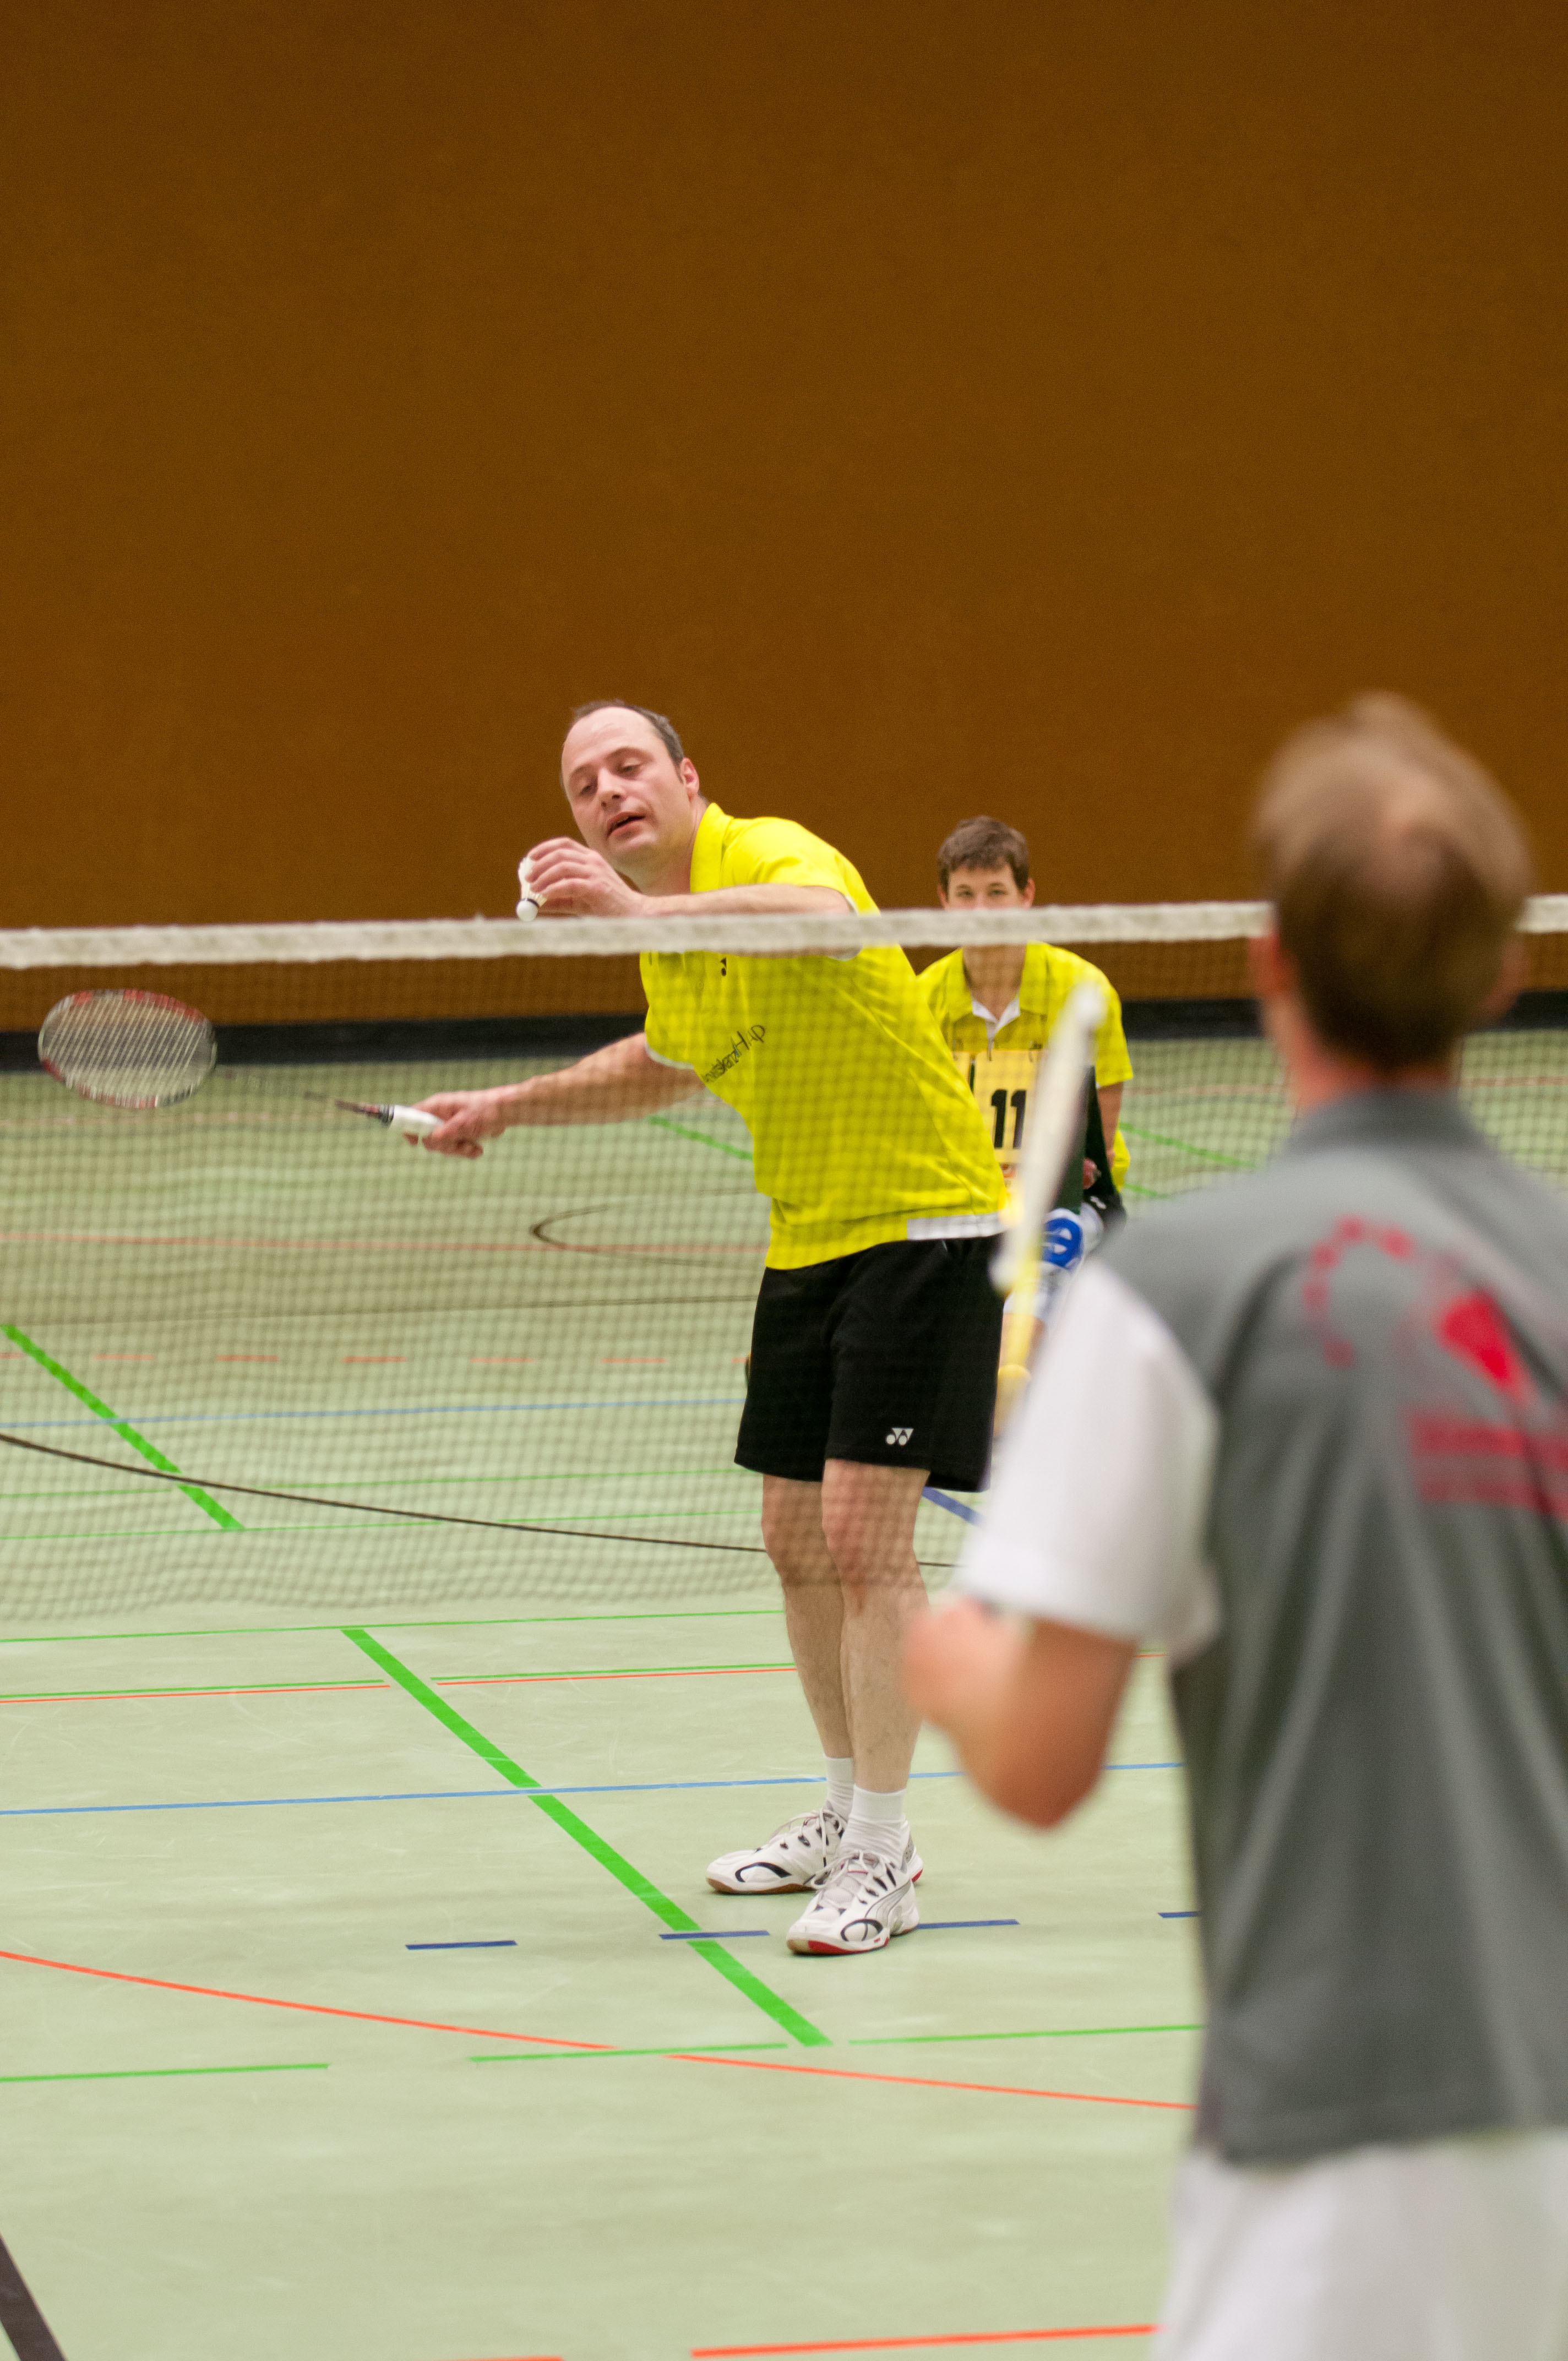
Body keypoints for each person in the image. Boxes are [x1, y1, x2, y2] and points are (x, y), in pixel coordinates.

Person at [906, 697, 1568, 2358]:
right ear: (1499, 972)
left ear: (1268, 965)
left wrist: (947, 1647)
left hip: (1331, 2164)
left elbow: (1036, 1763)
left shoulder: (1182, 1291)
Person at [419, 700, 1006, 1955]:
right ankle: (845, 1808)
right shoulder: (674, 950)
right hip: (808, 1237)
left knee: (862, 1536)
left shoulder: (765, 850)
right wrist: (508, 1104)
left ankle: (885, 1851)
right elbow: (662, 1063)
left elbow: (826, 919)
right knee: (793, 1538)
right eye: (584, 783)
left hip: (925, 1224)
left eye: (628, 765)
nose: (607, 790)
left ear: (688, 779)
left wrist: (631, 914)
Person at [921, 815, 1132, 1416]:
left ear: (1026, 895)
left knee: (1049, 1246)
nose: (981, 910)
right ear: (943, 902)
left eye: (996, 892)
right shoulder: (921, 1001)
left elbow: (1096, 1146)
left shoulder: (1083, 992)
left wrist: (1035, 1187)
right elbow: (918, 1130)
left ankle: (1010, 1382)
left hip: (1066, 1197)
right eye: (965, 894)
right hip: (963, 1195)